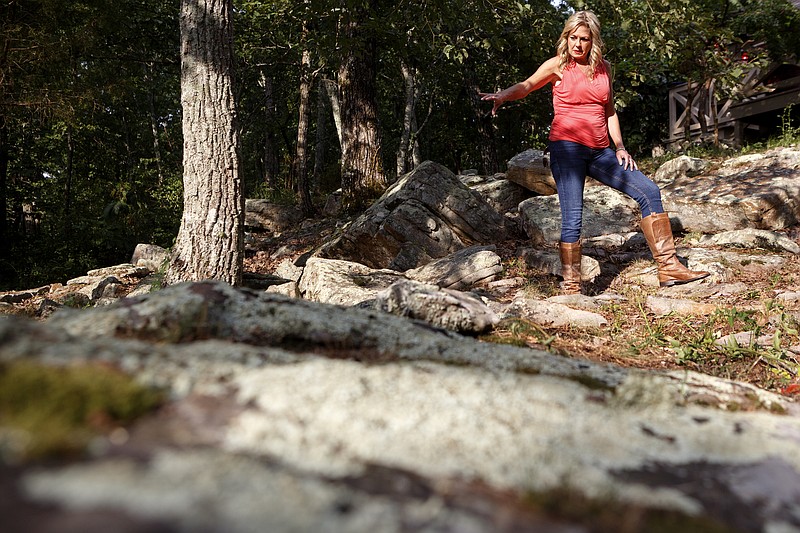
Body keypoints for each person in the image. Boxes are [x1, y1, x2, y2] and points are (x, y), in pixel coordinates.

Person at [480, 10, 709, 294]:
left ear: (593, 40)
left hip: (600, 151)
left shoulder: (604, 68)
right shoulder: (557, 66)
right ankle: (572, 286)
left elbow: (609, 110)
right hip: (566, 150)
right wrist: (502, 95)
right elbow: (526, 87)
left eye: (583, 39)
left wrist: (621, 147)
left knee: (648, 190)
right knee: (573, 216)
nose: (577, 44)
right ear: (566, 38)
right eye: (572, 37)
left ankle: (669, 267)